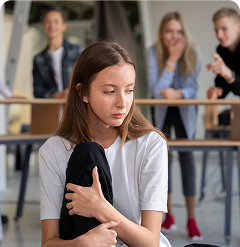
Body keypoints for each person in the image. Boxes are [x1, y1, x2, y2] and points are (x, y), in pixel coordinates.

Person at [39, 40, 171, 247]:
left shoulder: (151, 144)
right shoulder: (53, 150)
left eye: (129, 90)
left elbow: (151, 242)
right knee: (87, 153)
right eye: (110, 91)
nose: (122, 102)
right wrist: (82, 244)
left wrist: (101, 208)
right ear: (83, 93)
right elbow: (48, 243)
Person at [146, 12, 202, 240]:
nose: (174, 36)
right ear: (161, 33)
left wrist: (179, 93)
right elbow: (156, 90)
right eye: (170, 31)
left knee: (187, 160)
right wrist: (171, 60)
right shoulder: (152, 53)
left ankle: (191, 218)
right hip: (161, 113)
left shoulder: (192, 51)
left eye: (179, 32)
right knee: (163, 160)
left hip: (184, 112)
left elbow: (193, 89)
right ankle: (167, 215)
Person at [33, 6, 84, 99]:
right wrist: (57, 95)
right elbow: (37, 91)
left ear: (63, 26)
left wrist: (72, 92)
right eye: (48, 21)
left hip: (76, 105)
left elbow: (88, 79)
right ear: (43, 26)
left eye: (56, 22)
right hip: (52, 109)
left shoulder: (77, 51)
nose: (52, 26)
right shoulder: (38, 59)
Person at [206, 7, 240, 100]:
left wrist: (228, 75)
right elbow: (224, 84)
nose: (219, 35)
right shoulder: (221, 50)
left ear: (238, 27)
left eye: (224, 29)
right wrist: (217, 92)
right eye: (216, 30)